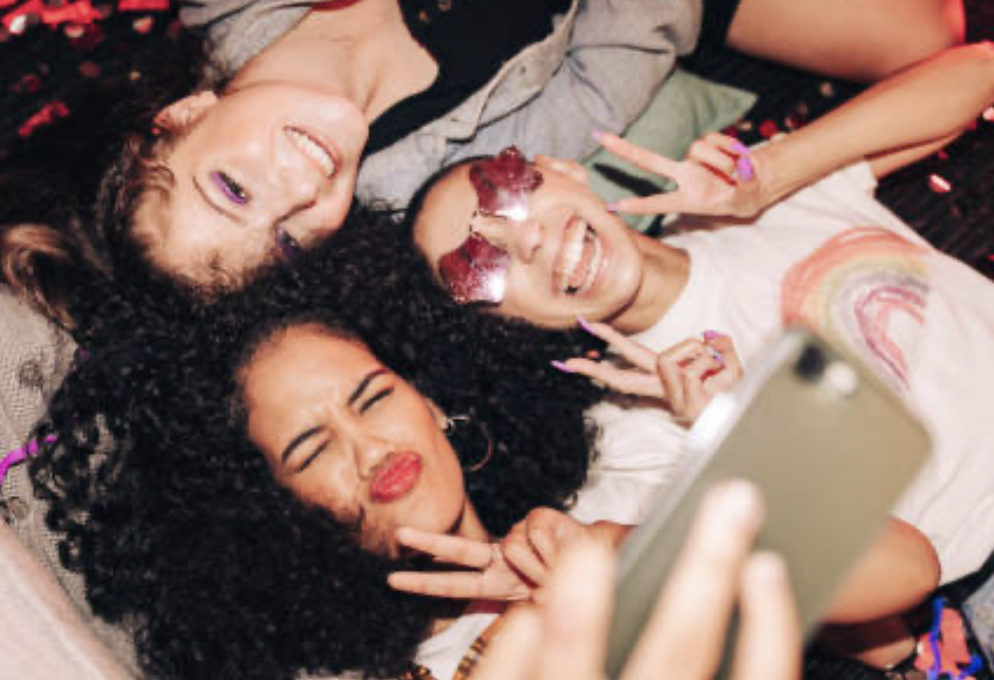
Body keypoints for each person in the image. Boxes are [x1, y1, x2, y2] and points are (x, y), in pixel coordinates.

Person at [30, 225, 994, 680]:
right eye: (312, 449)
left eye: (373, 396)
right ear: (267, 515)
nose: (370, 446)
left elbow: (903, 568)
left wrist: (615, 553)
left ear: (430, 399)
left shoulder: (609, 502)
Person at [408, 41, 994, 589]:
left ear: (562, 170)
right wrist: (736, 435)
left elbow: (979, 71)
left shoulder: (745, 196)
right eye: (482, 267)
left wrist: (774, 172)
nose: (529, 240)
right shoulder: (633, 438)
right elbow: (873, 578)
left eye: (508, 197)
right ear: (506, 328)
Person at [1, 0, 966, 319]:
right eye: (289, 239)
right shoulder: (418, 189)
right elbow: (607, 78)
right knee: (931, 34)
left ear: (181, 115)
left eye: (232, 186)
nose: (300, 188)